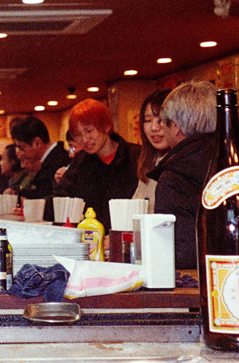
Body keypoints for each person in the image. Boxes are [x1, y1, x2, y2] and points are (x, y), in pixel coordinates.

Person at [147, 81, 217, 270]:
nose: (160, 128)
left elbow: (178, 254)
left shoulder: (175, 176)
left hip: (199, 283)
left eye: (163, 122)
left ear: (175, 127)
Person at [51, 99, 141, 229]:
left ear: (106, 126)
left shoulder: (136, 157)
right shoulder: (81, 161)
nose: (85, 140)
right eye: (78, 134)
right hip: (91, 239)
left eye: (89, 131)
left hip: (126, 239)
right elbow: (62, 198)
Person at [10, 115, 70, 219]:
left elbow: (55, 199)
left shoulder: (59, 161)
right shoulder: (49, 160)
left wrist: (30, 204)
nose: (21, 154)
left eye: (22, 148)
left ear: (37, 143)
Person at [131, 89, 173, 212]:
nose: (154, 128)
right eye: (148, 121)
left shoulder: (182, 164)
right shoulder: (149, 162)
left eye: (160, 120)